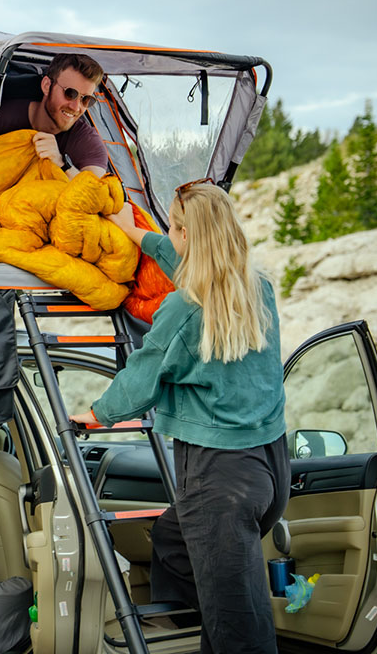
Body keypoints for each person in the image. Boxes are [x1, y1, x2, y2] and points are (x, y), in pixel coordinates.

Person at [69, 179, 289, 654]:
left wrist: (98, 414)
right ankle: (200, 617)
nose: (169, 234)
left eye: (172, 227)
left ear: (188, 235)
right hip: (270, 466)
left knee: (238, 628)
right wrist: (139, 234)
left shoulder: (183, 309)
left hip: (217, 476)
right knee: (172, 541)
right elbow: (192, 266)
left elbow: (145, 371)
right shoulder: (257, 288)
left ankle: (219, 613)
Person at [0, 52, 108, 178]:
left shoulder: (87, 141)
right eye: (70, 93)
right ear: (47, 86)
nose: (76, 107)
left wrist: (61, 164)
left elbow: (97, 188)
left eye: (86, 100)